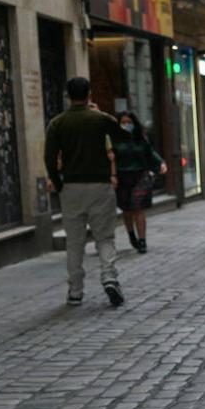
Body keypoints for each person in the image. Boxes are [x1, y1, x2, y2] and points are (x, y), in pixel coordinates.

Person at [44, 77, 130, 307]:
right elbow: (124, 137)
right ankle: (109, 277)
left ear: (67, 95)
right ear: (90, 94)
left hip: (71, 187)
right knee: (104, 236)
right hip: (100, 185)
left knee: (74, 241)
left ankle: (75, 290)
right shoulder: (100, 119)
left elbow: (49, 157)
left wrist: (57, 182)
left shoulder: (58, 123)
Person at [112, 111, 167, 254]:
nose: (126, 125)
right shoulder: (115, 140)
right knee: (127, 209)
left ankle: (142, 240)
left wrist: (160, 163)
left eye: (128, 122)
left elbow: (150, 153)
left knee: (138, 208)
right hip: (122, 176)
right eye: (123, 123)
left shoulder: (140, 139)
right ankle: (131, 235)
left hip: (139, 176)